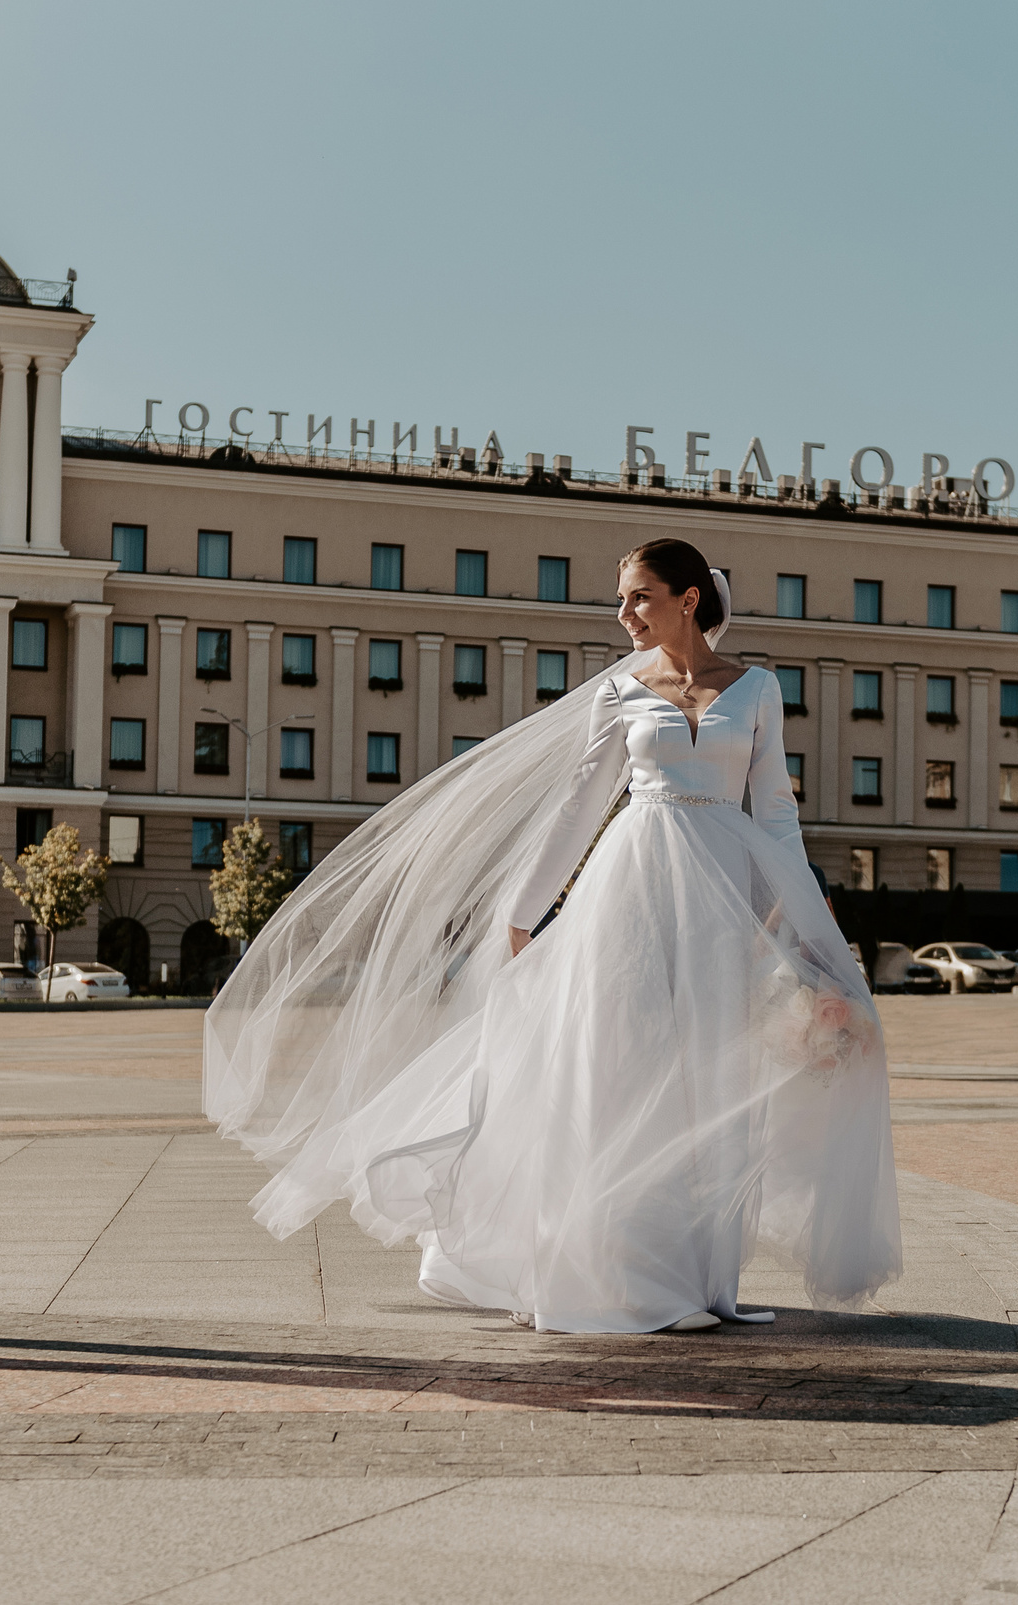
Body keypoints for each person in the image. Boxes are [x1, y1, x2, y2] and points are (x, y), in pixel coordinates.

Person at [206, 538, 899, 1333]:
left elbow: (775, 810)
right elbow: (580, 806)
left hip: (721, 901)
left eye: (640, 596)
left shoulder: (758, 690)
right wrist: (522, 914)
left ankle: (704, 1281)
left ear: (690, 599)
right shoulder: (621, 694)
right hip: (632, 886)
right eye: (621, 598)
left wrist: (806, 916)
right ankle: (618, 1269)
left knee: (710, 1079)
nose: (624, 613)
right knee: (623, 1070)